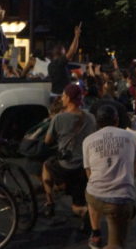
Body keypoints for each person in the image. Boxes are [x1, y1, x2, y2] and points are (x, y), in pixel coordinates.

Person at [83, 103, 136, 249]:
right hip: (122, 198)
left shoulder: (88, 141)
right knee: (116, 243)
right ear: (117, 120)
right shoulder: (130, 137)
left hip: (96, 197)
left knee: (92, 188)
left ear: (97, 122)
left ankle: (95, 232)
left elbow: (89, 174)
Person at [43, 84, 97, 228]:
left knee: (47, 165)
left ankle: (49, 202)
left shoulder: (59, 118)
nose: (61, 98)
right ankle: (85, 211)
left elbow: (47, 141)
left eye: (63, 96)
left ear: (68, 98)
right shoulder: (91, 117)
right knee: (76, 207)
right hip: (85, 167)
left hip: (66, 166)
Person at [48, 23, 82, 97]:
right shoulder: (58, 63)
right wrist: (76, 36)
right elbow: (72, 51)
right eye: (64, 51)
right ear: (60, 53)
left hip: (55, 95)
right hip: (60, 96)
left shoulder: (52, 64)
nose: (66, 53)